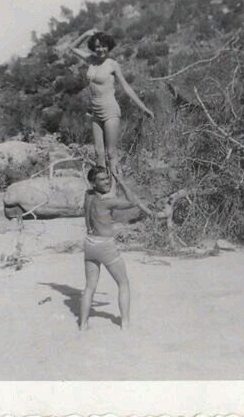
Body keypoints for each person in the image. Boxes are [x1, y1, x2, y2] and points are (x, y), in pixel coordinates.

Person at [69, 28, 154, 178]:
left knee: (111, 153)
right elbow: (72, 48)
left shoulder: (112, 64)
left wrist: (143, 108)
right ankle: (102, 188)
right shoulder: (90, 60)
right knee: (98, 153)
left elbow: (126, 87)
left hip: (110, 110)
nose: (100, 49)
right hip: (96, 111)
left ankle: (115, 188)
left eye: (103, 46)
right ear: (93, 47)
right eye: (97, 46)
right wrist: (85, 34)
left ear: (108, 46)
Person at [80, 165, 153, 331]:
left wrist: (106, 180)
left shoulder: (88, 195)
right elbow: (133, 202)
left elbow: (101, 191)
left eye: (107, 179)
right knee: (123, 282)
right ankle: (125, 323)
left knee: (90, 286)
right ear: (93, 182)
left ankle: (83, 324)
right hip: (104, 245)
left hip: (89, 243)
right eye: (102, 180)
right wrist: (120, 180)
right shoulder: (107, 201)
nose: (106, 182)